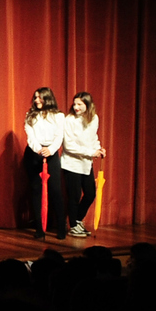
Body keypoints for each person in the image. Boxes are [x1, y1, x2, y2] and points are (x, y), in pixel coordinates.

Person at [23, 86, 65, 240]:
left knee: (55, 191)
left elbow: (59, 136)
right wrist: (39, 150)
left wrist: (51, 150)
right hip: (34, 154)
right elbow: (31, 137)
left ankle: (61, 227)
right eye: (35, 97)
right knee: (36, 190)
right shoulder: (30, 116)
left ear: (47, 98)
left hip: (51, 154)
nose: (36, 100)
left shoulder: (58, 116)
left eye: (40, 97)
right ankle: (39, 229)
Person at [61, 91, 105, 237]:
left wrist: (98, 149)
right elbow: (69, 146)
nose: (76, 107)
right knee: (74, 196)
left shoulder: (94, 118)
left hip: (86, 163)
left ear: (88, 105)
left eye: (79, 104)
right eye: (74, 104)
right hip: (71, 163)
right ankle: (73, 225)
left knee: (90, 193)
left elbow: (93, 137)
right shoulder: (69, 120)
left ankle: (78, 220)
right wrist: (90, 152)